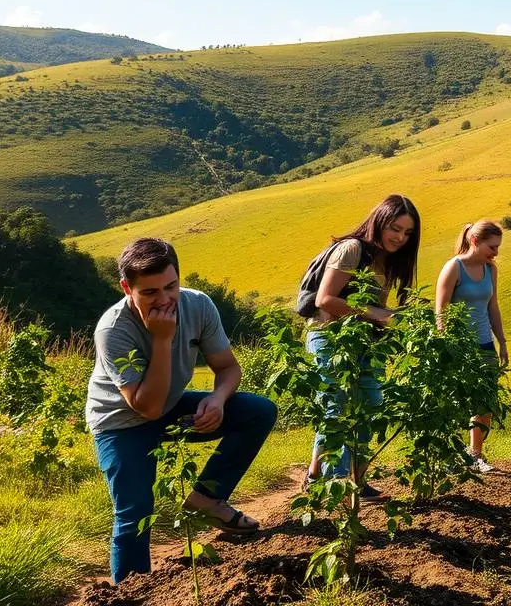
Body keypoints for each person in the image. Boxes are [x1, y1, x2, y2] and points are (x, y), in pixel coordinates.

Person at [86, 238, 278, 584]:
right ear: (126, 287)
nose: (163, 299)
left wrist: (217, 400)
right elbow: (147, 407)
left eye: (170, 286)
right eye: (149, 293)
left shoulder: (198, 305)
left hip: (171, 406)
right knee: (135, 511)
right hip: (121, 422)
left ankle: (207, 499)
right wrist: (161, 339)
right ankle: (132, 591)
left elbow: (228, 368)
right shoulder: (113, 329)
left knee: (258, 411)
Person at [304, 194, 420, 496]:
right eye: (395, 228)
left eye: (407, 233)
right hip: (330, 336)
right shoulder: (352, 249)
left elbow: (374, 311)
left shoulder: (386, 260)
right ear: (379, 221)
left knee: (370, 404)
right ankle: (336, 485)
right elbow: (325, 299)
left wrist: (392, 319)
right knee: (336, 406)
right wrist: (379, 314)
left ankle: (354, 479)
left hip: (363, 340)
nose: (400, 237)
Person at [435, 219, 508, 473]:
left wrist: (502, 342)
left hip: (484, 343)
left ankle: (475, 455)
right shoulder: (453, 267)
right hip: (458, 346)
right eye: (492, 247)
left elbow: (493, 306)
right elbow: (440, 312)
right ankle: (448, 457)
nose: (496, 252)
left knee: (485, 402)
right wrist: (447, 347)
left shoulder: (491, 269)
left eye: (498, 247)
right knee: (456, 403)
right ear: (474, 241)